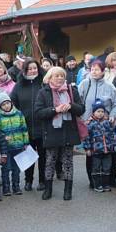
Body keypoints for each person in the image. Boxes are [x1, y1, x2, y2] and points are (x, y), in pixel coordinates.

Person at [34, 66, 84, 200]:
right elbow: (38, 113)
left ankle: (68, 191)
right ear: (49, 78)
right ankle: (48, 189)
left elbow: (81, 109)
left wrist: (71, 106)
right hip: (51, 131)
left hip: (69, 130)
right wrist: (55, 110)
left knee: (68, 161)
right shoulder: (43, 92)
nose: (60, 78)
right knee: (50, 161)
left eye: (62, 76)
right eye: (57, 76)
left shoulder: (72, 90)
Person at [78, 59, 116, 188]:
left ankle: (110, 179)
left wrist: (112, 116)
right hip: (89, 125)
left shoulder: (109, 86)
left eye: (97, 69)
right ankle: (93, 180)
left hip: (106, 126)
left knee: (109, 153)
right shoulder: (84, 84)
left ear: (103, 71)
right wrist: (82, 118)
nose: (94, 72)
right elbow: (78, 102)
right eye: (92, 69)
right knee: (91, 152)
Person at [11, 59, 45, 192]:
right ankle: (28, 180)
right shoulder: (19, 85)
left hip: (42, 126)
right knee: (28, 155)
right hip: (25, 128)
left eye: (35, 68)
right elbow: (13, 103)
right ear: (25, 70)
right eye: (30, 68)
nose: (32, 70)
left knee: (43, 156)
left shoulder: (44, 83)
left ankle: (42, 180)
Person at [0, 92, 29, 196]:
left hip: (18, 146)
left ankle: (16, 186)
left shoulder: (19, 114)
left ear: (11, 103)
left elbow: (24, 129)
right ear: (0, 106)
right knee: (5, 168)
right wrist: (3, 138)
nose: (6, 106)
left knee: (16, 168)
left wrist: (26, 142)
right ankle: (6, 187)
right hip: (6, 148)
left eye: (7, 103)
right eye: (3, 104)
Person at [83, 99, 116, 192]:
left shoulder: (107, 123)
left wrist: (114, 145)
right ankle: (97, 185)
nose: (100, 113)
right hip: (96, 151)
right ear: (94, 112)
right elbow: (86, 137)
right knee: (96, 168)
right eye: (98, 111)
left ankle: (106, 184)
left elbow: (112, 135)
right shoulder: (90, 124)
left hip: (107, 150)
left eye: (102, 111)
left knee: (107, 168)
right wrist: (87, 149)